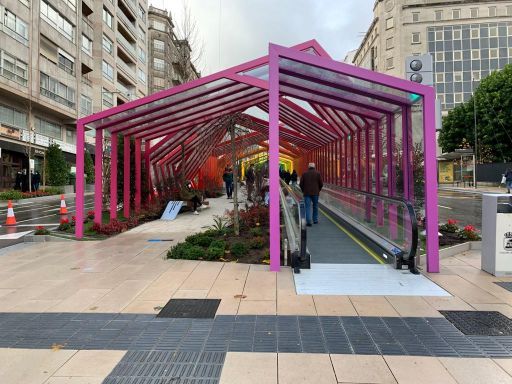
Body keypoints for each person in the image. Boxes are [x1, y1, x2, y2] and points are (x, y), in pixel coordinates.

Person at [299, 162, 323, 227]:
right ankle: (315, 220)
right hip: (315, 193)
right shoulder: (318, 173)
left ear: (308, 167)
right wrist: (318, 190)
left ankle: (308, 221)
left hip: (306, 193)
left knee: (307, 207)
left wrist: (303, 190)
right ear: (314, 167)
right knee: (315, 206)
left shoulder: (304, 174)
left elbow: (301, 184)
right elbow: (321, 184)